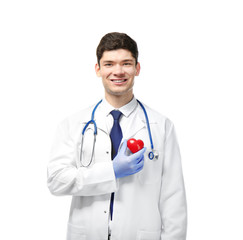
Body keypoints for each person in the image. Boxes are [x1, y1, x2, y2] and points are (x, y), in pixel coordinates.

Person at [47, 32, 187, 240]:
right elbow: (56, 181)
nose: (118, 71)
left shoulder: (161, 126)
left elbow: (173, 198)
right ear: (98, 69)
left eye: (126, 63)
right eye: (109, 64)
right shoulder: (74, 124)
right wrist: (111, 171)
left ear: (137, 69)